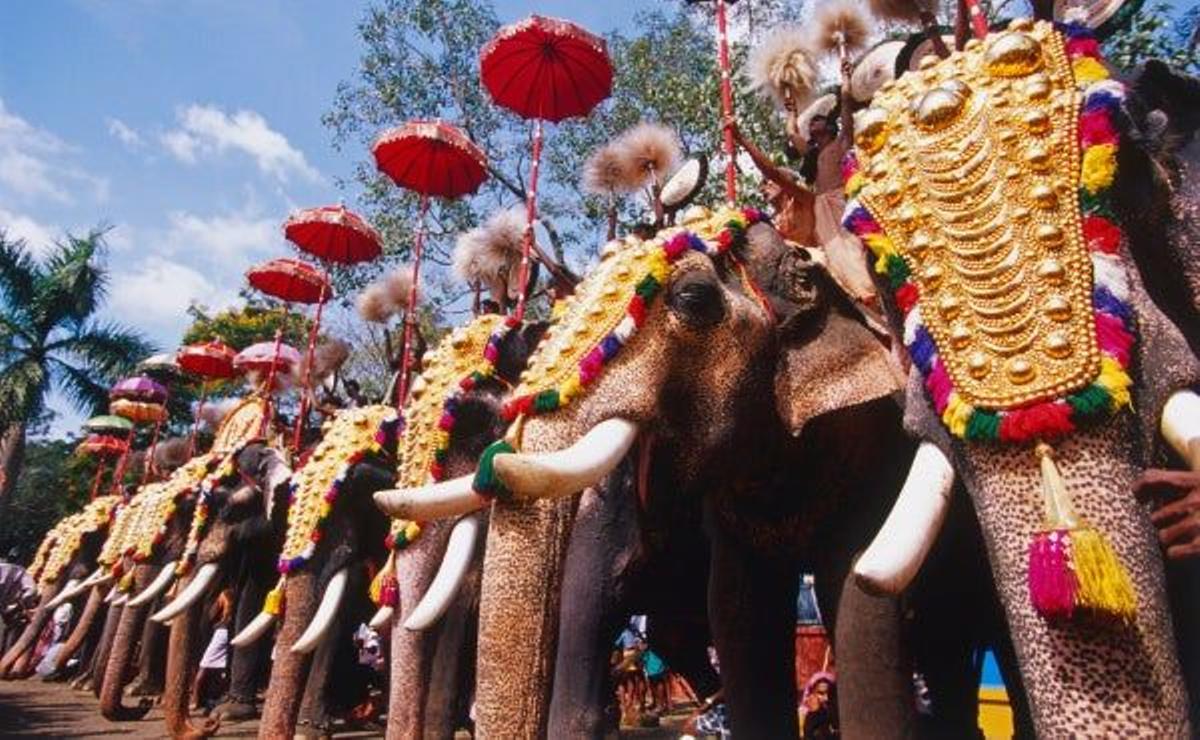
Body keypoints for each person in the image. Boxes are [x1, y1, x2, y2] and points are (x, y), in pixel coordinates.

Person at [799, 672, 839, 739]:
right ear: (811, 693)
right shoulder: (802, 715)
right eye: (821, 693)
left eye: (829, 693)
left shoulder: (832, 709)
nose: (826, 698)